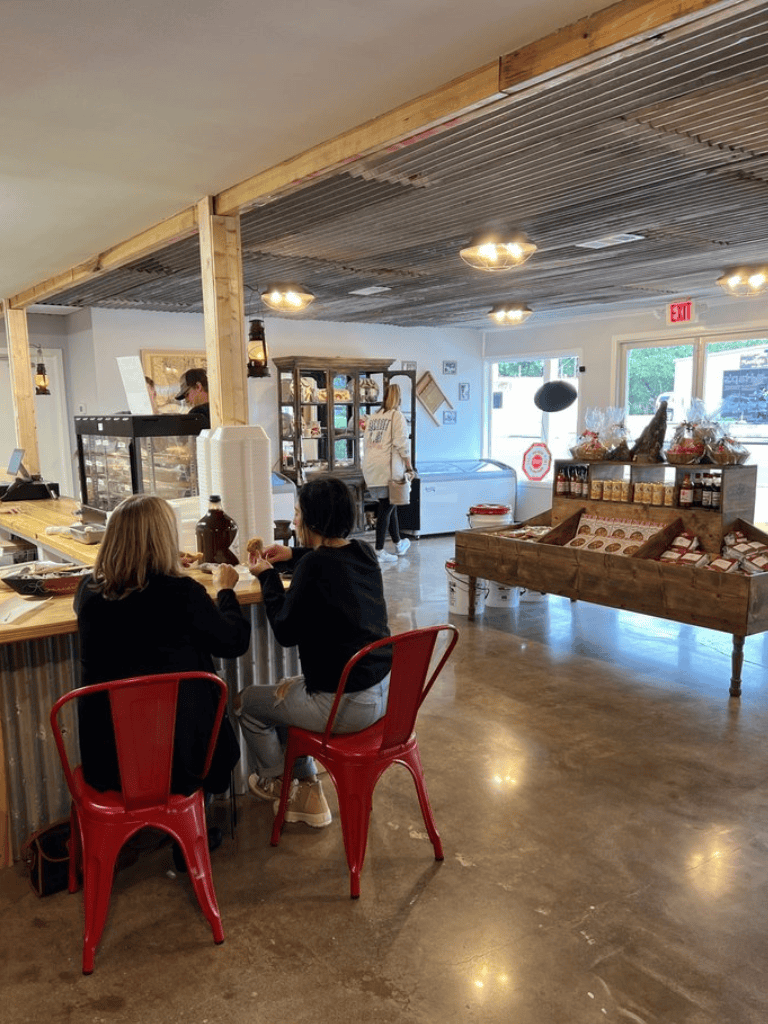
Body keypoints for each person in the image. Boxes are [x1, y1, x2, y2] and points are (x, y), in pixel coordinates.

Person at [74, 494, 250, 848]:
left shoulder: (89, 594)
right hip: (184, 761)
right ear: (164, 541)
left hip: (109, 763)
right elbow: (233, 641)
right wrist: (226, 592)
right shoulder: (183, 595)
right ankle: (190, 832)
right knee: (200, 689)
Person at [235, 475, 391, 828]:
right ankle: (306, 790)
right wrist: (292, 555)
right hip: (384, 697)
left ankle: (278, 782)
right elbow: (330, 560)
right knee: (287, 693)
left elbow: (285, 632)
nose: (294, 523)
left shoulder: (313, 567)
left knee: (247, 703)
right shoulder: (364, 552)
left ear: (313, 521)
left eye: (297, 514)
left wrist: (267, 576)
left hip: (343, 705)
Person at [362, 383, 414, 564]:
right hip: (388, 468)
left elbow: (366, 442)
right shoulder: (396, 416)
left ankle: (399, 544)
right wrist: (409, 466)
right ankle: (379, 550)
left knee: (389, 504)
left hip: (371, 466)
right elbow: (402, 444)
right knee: (386, 509)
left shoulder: (373, 417)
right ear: (399, 398)